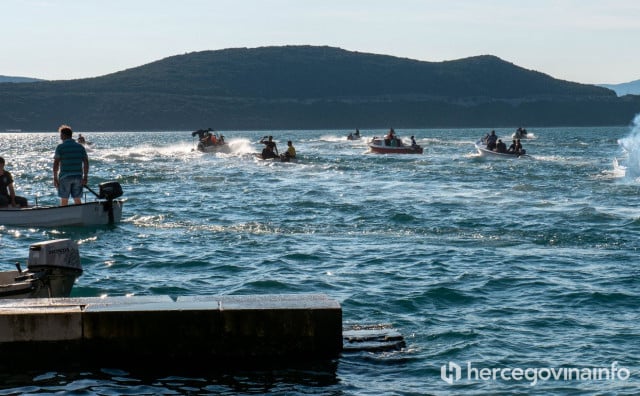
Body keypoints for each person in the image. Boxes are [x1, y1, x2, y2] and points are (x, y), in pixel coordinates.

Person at [53, 124, 89, 206]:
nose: (60, 137)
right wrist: (85, 177)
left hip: (65, 176)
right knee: (77, 199)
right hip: (78, 176)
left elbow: (56, 164)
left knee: (64, 200)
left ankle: (65, 216)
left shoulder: (60, 147)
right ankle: (80, 216)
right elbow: (86, 162)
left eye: (61, 135)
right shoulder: (80, 147)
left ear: (63, 135)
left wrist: (55, 178)